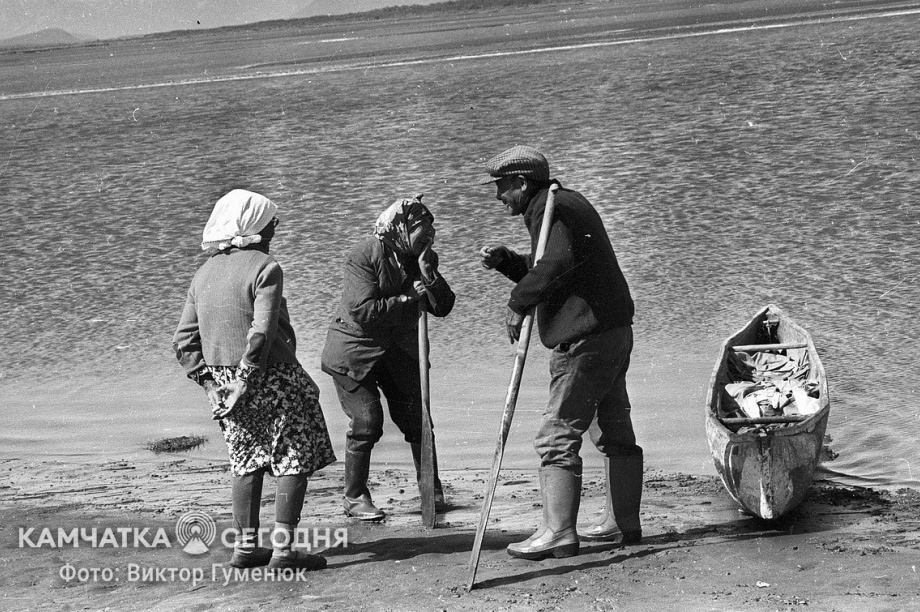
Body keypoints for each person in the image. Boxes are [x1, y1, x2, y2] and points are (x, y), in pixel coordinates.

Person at [478, 145, 643, 560]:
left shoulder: (551, 207)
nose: (499, 197)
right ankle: (622, 523)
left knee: (556, 436)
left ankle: (558, 531)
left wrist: (518, 303)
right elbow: (556, 269)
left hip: (586, 340)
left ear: (521, 183)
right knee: (612, 430)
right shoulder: (564, 202)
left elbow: (555, 263)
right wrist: (508, 263)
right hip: (613, 332)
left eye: (502, 188)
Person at [173, 189, 336, 570]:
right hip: (269, 374)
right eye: (270, 221)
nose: (275, 227)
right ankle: (283, 551)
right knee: (291, 457)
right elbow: (261, 332)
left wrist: (212, 384)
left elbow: (183, 340)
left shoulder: (204, 272)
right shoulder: (266, 266)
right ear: (255, 228)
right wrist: (245, 378)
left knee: (245, 460)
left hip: (223, 380)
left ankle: (245, 548)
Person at [321, 194, 455, 521]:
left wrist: (430, 275)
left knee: (417, 421)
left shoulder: (419, 258)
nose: (429, 236)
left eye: (431, 229)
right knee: (367, 423)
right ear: (399, 228)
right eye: (421, 230)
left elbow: (443, 307)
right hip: (355, 352)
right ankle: (354, 497)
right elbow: (363, 311)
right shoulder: (363, 255)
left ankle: (431, 492)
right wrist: (408, 299)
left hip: (398, 351)